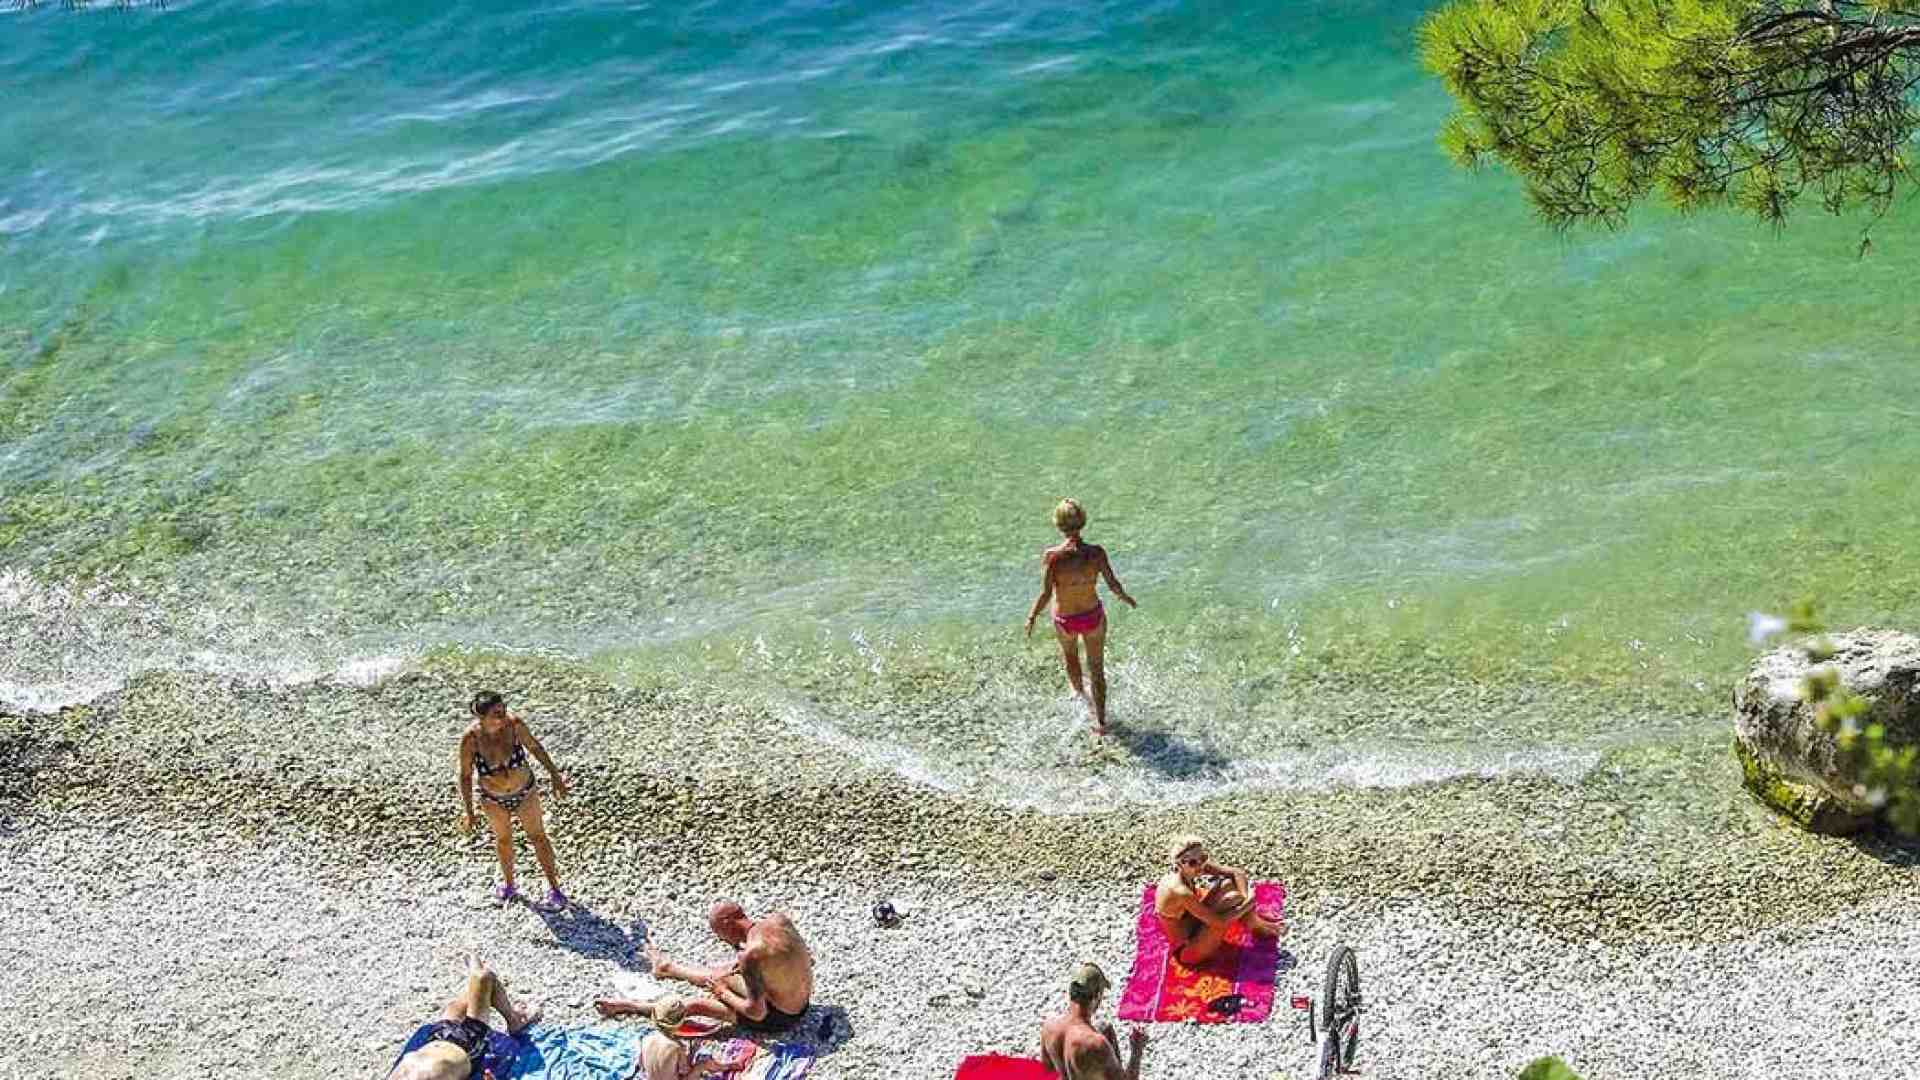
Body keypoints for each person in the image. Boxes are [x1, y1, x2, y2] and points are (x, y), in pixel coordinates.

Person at [595, 902, 815, 1036]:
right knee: (724, 973)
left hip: (781, 1018)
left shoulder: (751, 955)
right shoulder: (778, 920)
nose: (722, 940)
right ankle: (667, 968)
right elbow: (808, 959)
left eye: (720, 934)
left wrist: (723, 994)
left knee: (695, 1005)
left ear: (728, 923)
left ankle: (629, 1006)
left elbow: (757, 1013)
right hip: (803, 1002)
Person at [1023, 498, 1137, 735]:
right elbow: (1113, 583)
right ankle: (1102, 723)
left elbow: (1046, 593)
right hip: (1092, 616)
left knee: (1071, 657)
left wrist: (1032, 616)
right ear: (1083, 522)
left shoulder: (1053, 556)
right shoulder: (1096, 553)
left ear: (1058, 524)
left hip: (1066, 620)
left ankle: (1082, 702)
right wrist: (1124, 597)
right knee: (1097, 668)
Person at [459, 690, 571, 910]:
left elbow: (536, 748)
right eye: (496, 713)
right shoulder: (471, 739)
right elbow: (464, 775)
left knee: (538, 836)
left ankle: (555, 889)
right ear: (481, 717)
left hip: (525, 792)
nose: (503, 716)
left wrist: (555, 775)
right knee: (503, 841)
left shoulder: (514, 726)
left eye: (503, 710)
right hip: (493, 799)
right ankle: (510, 886)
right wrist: (469, 812)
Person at [389, 954, 540, 1080]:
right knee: (484, 977)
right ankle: (514, 1020)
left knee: (455, 1007)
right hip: (468, 1045)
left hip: (437, 1037)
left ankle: (475, 976)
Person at [1153, 835, 1282, 966]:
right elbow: (1219, 923)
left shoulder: (1194, 867)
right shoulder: (1180, 891)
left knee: (1228, 885)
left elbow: (1236, 873)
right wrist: (1248, 904)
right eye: (1193, 862)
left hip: (1195, 925)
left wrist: (1243, 898)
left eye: (1203, 858)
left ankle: (1256, 924)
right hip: (1187, 951)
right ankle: (1258, 926)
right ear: (1179, 864)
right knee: (1233, 898)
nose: (1200, 865)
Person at [1039, 962, 1147, 1080]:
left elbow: (1048, 1069)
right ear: (1097, 996)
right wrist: (1137, 1050)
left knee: (1105, 1028)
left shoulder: (1049, 1026)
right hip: (1088, 1052)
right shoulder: (1095, 1044)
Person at [636, 995, 729, 1080]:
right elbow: (685, 1071)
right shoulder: (676, 1047)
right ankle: (729, 1066)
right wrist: (693, 1051)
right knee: (703, 1065)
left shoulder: (645, 1040)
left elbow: (641, 1065)